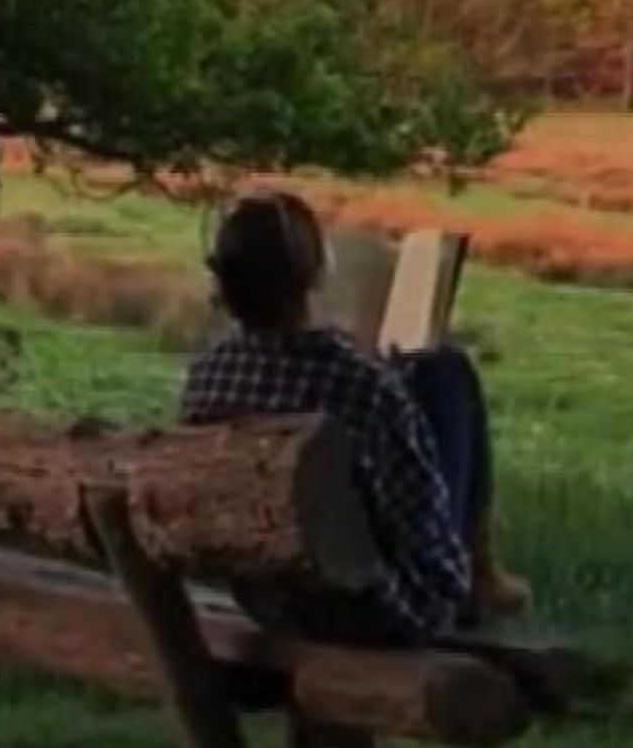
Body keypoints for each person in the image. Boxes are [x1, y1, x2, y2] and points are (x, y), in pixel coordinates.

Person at [180, 191, 530, 647]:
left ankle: (483, 572)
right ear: (315, 275)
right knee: (446, 371)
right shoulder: (359, 385)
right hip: (365, 612)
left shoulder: (207, 377)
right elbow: (420, 525)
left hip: (261, 598)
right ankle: (481, 573)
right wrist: (450, 580)